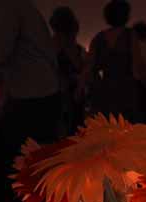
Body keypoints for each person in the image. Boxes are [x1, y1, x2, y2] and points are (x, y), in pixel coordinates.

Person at [0, 0, 60, 202]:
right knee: (35, 165)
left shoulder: (5, 9)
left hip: (31, 101)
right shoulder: (24, 8)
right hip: (44, 98)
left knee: (4, 163)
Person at [88, 0, 146, 123]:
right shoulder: (130, 35)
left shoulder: (99, 38)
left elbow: (89, 66)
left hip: (105, 89)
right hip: (126, 89)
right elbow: (138, 65)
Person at [49, 6, 87, 134]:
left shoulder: (49, 48)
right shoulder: (78, 50)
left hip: (55, 97)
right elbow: (83, 71)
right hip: (75, 98)